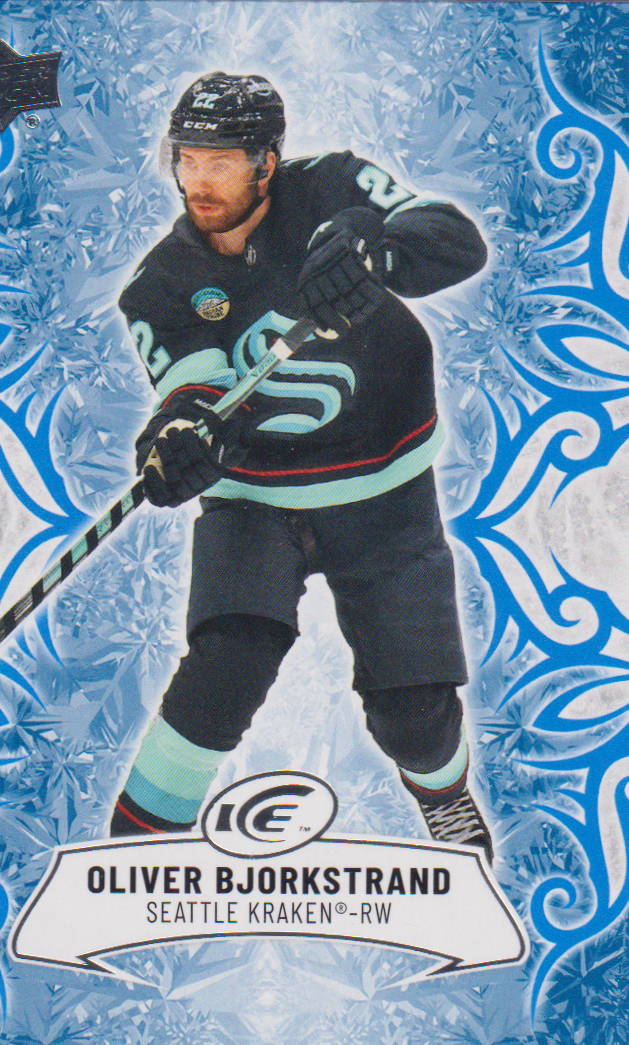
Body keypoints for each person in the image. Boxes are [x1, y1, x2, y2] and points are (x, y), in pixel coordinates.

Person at [112, 71, 493, 862]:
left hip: (383, 488)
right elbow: (190, 394)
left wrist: (376, 248)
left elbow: (457, 240)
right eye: (188, 160)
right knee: (225, 665)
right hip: (254, 500)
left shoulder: (334, 185)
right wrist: (179, 443)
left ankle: (445, 795)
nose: (198, 181)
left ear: (267, 162)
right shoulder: (161, 282)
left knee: (414, 712)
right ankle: (134, 845)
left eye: (221, 162)